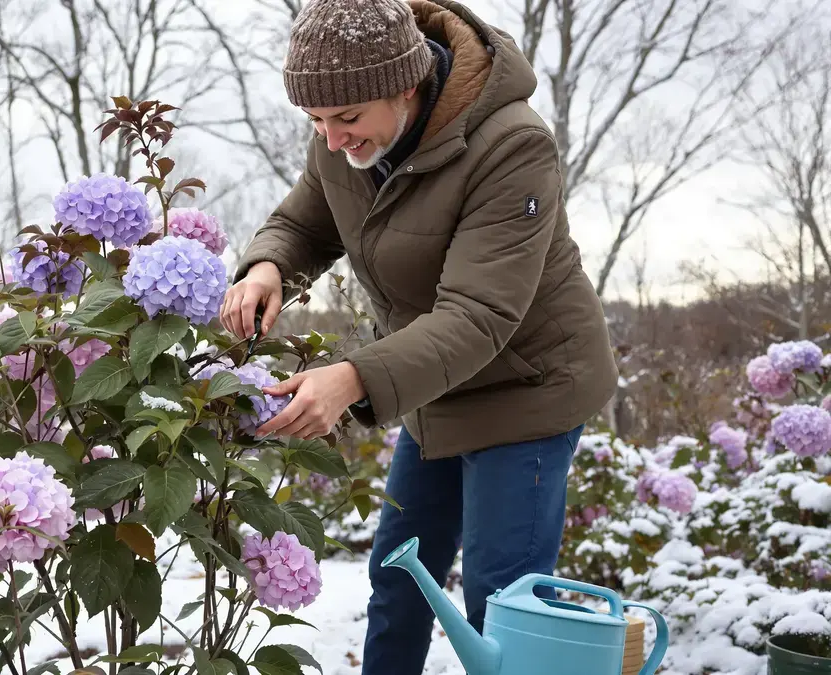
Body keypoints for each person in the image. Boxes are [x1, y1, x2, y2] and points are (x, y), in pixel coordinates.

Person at [218, 0, 620, 673]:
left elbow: (478, 315)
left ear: (408, 84)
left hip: (526, 390)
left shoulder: (511, 146)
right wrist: (267, 266)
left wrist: (352, 378)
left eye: (347, 118)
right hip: (434, 384)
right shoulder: (340, 136)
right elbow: (304, 223)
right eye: (316, 121)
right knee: (398, 583)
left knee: (503, 607)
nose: (332, 139)